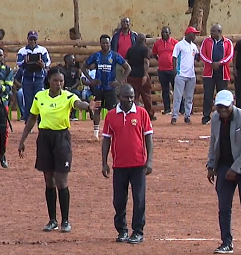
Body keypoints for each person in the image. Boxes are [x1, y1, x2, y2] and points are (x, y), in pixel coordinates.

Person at [17, 68, 93, 232]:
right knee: (49, 180)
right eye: (56, 81)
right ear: (49, 81)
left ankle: (65, 220)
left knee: (61, 180)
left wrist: (88, 106)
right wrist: (23, 140)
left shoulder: (68, 96)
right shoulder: (40, 96)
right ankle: (52, 219)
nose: (59, 84)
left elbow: (78, 104)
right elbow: (32, 119)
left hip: (61, 138)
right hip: (44, 138)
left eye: (61, 81)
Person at [206, 90, 241, 255]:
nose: (222, 110)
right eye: (219, 107)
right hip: (224, 166)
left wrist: (235, 169)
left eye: (225, 106)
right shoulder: (215, 119)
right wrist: (211, 165)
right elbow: (213, 142)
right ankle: (226, 242)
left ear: (233, 103)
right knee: (224, 206)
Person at [101, 84, 154, 244]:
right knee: (119, 200)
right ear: (119, 97)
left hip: (138, 164)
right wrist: (104, 162)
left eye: (132, 97)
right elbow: (106, 140)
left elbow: (148, 138)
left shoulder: (141, 113)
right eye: (126, 97)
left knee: (139, 199)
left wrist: (149, 160)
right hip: (119, 165)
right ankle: (122, 230)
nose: (130, 100)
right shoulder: (111, 116)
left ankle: (138, 231)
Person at [83, 35, 132, 139]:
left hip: (110, 88)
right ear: (100, 44)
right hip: (99, 88)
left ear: (110, 43)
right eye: (103, 43)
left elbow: (128, 68)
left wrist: (119, 81)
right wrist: (91, 80)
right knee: (97, 109)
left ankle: (114, 132)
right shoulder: (96, 56)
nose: (105, 45)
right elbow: (84, 67)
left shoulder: (114, 56)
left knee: (113, 111)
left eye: (107, 43)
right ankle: (96, 134)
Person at [199, 24, 234, 125]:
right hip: (209, 73)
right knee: (208, 95)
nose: (211, 33)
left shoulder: (228, 42)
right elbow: (202, 54)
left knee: (222, 95)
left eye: (213, 31)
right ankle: (206, 116)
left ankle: (223, 116)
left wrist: (220, 63)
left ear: (219, 32)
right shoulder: (206, 41)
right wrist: (211, 63)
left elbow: (230, 55)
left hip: (222, 72)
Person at [17, 31, 51, 122]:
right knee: (28, 102)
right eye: (31, 39)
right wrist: (25, 62)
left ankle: (40, 122)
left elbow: (47, 63)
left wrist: (42, 64)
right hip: (27, 79)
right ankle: (28, 122)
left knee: (40, 101)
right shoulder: (22, 51)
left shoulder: (42, 50)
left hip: (39, 79)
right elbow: (19, 64)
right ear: (27, 39)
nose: (32, 41)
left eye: (34, 39)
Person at [171, 27, 200, 125]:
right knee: (178, 96)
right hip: (181, 74)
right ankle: (174, 116)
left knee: (189, 97)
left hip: (191, 75)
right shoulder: (179, 45)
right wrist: (175, 71)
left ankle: (187, 115)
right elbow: (174, 58)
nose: (195, 36)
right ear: (188, 34)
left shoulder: (194, 46)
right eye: (193, 34)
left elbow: (197, 57)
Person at [125, 33, 155, 120]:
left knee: (134, 97)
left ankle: (133, 114)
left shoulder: (130, 49)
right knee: (146, 96)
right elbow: (146, 62)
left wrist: (126, 75)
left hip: (132, 76)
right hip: (141, 76)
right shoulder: (145, 49)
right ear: (145, 40)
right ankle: (150, 115)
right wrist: (145, 75)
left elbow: (126, 62)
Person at [152, 27, 178, 115]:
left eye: (166, 32)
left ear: (169, 33)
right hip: (162, 70)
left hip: (172, 70)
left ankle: (179, 109)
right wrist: (161, 60)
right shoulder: (157, 44)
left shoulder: (175, 43)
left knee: (177, 90)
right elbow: (154, 54)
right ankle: (167, 109)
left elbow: (179, 54)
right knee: (165, 90)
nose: (164, 34)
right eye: (163, 32)